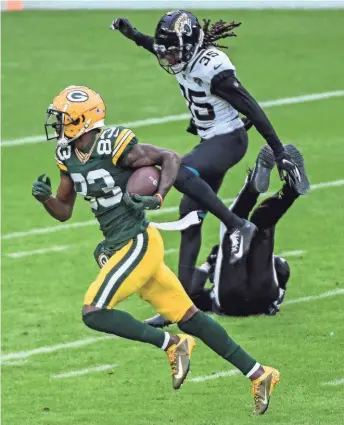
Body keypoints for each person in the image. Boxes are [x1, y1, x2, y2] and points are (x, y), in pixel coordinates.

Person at [32, 85, 280, 415]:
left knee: (94, 311)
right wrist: (47, 199)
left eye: (63, 118)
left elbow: (169, 158)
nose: (58, 124)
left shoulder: (114, 143)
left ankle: (171, 343)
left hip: (138, 241)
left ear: (81, 119)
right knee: (190, 317)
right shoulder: (66, 156)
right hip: (120, 243)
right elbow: (64, 210)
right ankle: (260, 373)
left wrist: (160, 195)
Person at [110, 11, 305, 323]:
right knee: (189, 219)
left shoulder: (213, 69)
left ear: (190, 47)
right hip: (210, 141)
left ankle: (237, 224)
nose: (169, 58)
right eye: (166, 52)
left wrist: (279, 150)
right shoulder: (183, 57)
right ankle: (179, 307)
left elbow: (252, 107)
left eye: (173, 51)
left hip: (228, 141)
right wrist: (135, 36)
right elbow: (158, 47)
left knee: (179, 171)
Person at [187, 144, 309, 318]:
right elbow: (282, 267)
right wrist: (208, 265)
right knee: (245, 222)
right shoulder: (212, 293)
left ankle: (279, 189)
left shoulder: (209, 299)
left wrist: (208, 264)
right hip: (261, 293)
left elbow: (192, 292)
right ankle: (280, 189)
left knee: (255, 223)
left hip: (251, 297)